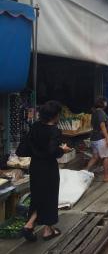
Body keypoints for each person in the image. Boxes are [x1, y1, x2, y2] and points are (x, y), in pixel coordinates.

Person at [22, 100, 71, 242]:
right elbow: (52, 151)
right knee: (49, 197)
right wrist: (63, 149)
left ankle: (32, 225)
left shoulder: (36, 126)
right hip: (48, 168)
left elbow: (26, 146)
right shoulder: (54, 131)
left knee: (38, 196)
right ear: (55, 115)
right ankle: (45, 230)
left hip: (35, 166)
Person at [84, 97, 108, 182]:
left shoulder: (94, 112)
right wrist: (107, 138)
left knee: (95, 157)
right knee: (107, 156)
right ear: (102, 103)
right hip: (101, 138)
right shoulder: (100, 112)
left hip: (94, 138)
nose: (106, 103)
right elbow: (102, 126)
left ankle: (84, 171)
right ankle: (106, 176)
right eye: (105, 102)